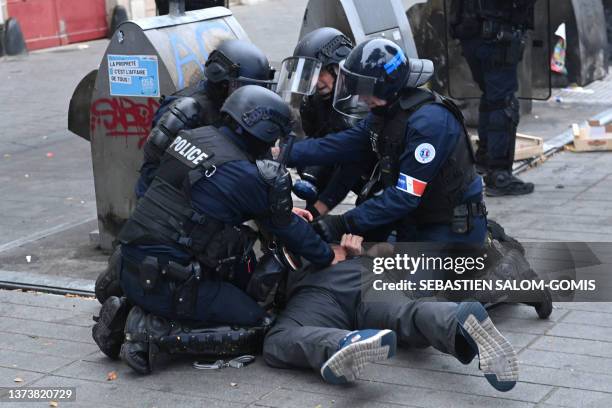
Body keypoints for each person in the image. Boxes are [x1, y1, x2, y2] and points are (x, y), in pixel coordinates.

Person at [92, 86, 339, 374]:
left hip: (130, 264)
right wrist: (326, 255)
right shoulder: (248, 175)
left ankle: (130, 310)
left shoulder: (194, 137)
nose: (275, 146)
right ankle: (150, 332)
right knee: (258, 322)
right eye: (275, 138)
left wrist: (274, 210)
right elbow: (288, 230)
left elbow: (205, 198)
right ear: (263, 130)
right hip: (166, 282)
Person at [95, 39, 276, 304]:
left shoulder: (234, 110)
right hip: (173, 206)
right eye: (244, 88)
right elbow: (155, 169)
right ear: (223, 81)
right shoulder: (187, 111)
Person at [286, 38, 488, 246]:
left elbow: (404, 195)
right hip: (413, 220)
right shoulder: (386, 112)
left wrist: (343, 223)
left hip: (450, 229)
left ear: (385, 86)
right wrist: (285, 153)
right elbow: (342, 144)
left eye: (364, 88)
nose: (360, 96)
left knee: (402, 277)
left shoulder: (430, 125)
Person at [263, 234, 519, 392]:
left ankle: (343, 343)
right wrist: (359, 252)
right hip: (358, 273)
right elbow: (385, 249)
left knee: (278, 339)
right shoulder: (314, 219)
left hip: (316, 292)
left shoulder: (255, 216)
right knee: (407, 312)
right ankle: (454, 320)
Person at [277, 27, 374, 217]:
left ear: (338, 68)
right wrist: (311, 215)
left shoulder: (362, 104)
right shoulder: (312, 104)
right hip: (341, 167)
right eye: (309, 74)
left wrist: (322, 210)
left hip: (378, 178)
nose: (315, 81)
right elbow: (319, 151)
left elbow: (349, 167)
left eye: (319, 72)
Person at [450, 0, 536, 196]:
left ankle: (485, 160)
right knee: (503, 102)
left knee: (491, 98)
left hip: (473, 35)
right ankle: (499, 174)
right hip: (496, 36)